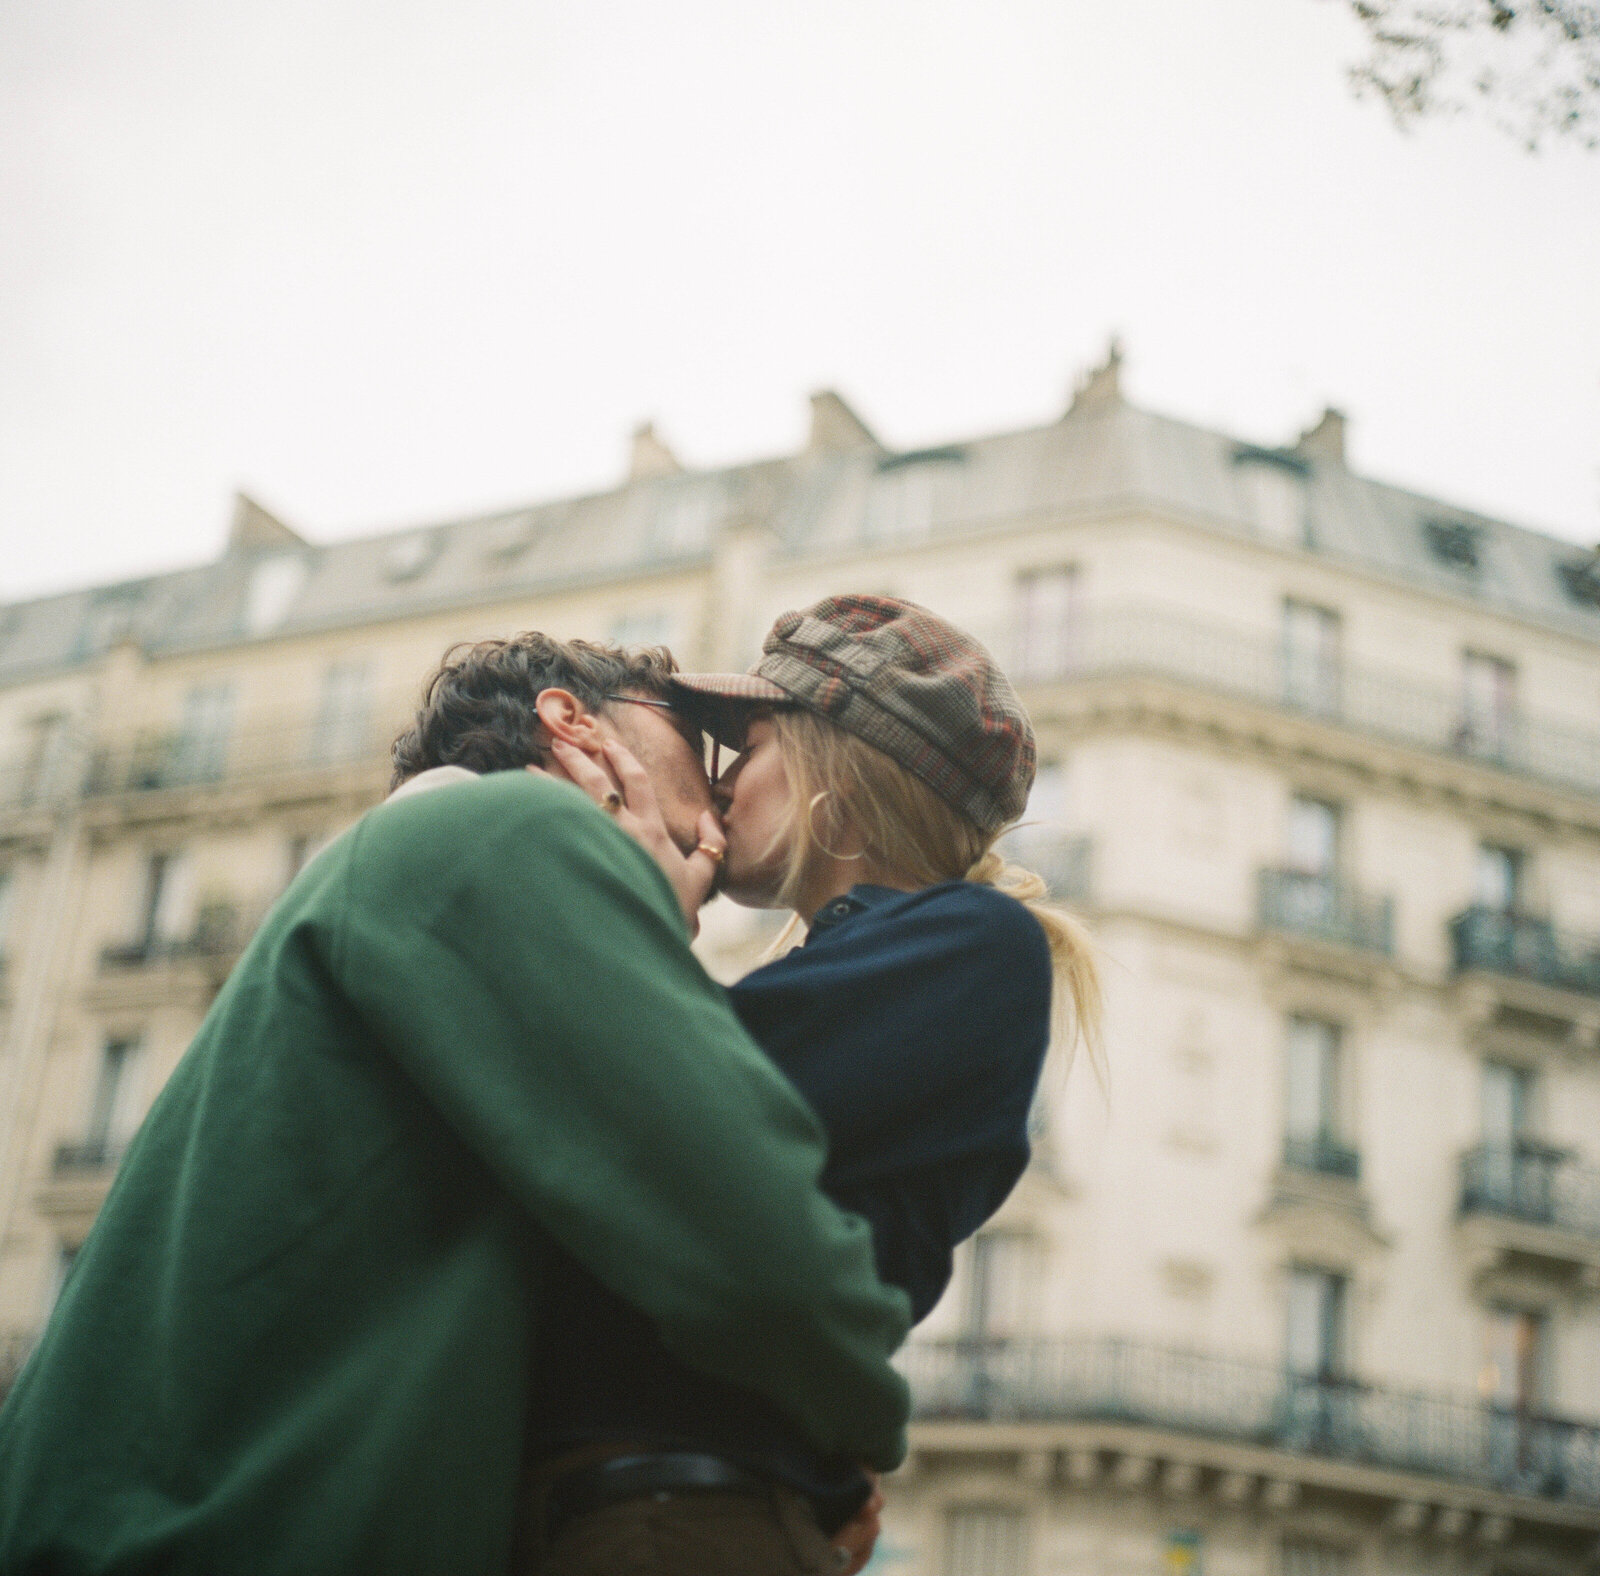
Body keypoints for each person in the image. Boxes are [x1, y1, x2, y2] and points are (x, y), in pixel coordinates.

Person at [0, 637, 913, 1576]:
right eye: (693, 734)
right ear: (573, 726)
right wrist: (853, 1442)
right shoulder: (502, 828)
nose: (720, 795)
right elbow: (754, 1241)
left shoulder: (427, 865)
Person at [394, 596, 1101, 1576]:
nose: (720, 783)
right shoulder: (850, 966)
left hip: (676, 1515)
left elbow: (654, 1106)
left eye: (750, 747)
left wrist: (628, 899)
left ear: (833, 764)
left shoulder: (976, 945)